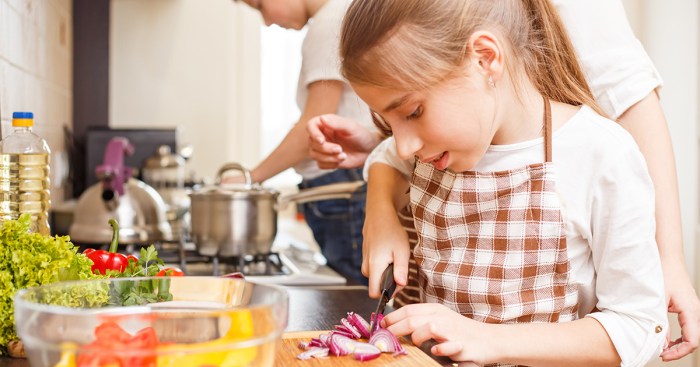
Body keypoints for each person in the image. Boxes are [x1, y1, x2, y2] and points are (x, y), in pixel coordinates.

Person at [307, 0, 700, 361]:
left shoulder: (600, 154)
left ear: (484, 58)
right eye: (388, 122)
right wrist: (380, 214)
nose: (406, 144)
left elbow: (638, 327)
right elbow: (387, 156)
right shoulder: (440, 142)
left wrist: (486, 339)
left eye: (412, 111)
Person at [231, 0, 375, 285]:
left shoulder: (329, 25)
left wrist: (249, 178)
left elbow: (314, 126)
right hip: (341, 184)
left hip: (341, 183)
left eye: (260, 5)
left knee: (356, 300)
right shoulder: (337, 17)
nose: (266, 21)